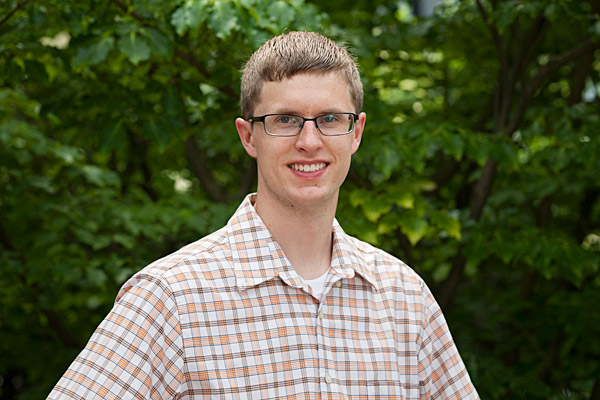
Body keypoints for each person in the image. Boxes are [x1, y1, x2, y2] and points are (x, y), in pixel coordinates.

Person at [48, 31, 479, 399]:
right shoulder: (170, 299)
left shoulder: (405, 297)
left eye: (329, 118)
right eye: (286, 120)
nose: (309, 141)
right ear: (248, 136)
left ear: (356, 132)